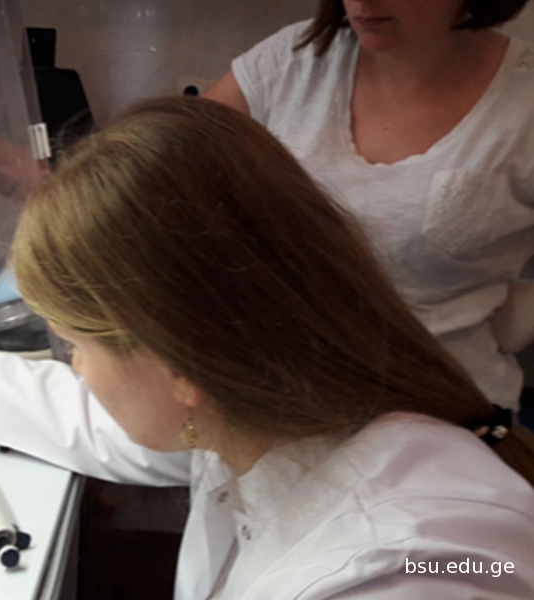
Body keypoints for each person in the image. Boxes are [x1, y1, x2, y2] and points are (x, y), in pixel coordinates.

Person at [0, 97, 534, 598]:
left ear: (179, 362)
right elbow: (88, 418)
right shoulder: (262, 414)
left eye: (74, 345)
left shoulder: (414, 570)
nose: (73, 369)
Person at [203, 0, 534, 412]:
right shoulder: (293, 59)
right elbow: (164, 161)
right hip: (280, 402)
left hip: (438, 413)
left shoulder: (524, 100)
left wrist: (517, 316)